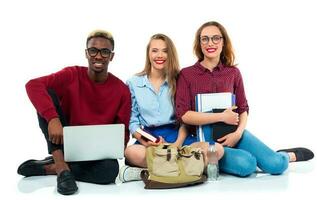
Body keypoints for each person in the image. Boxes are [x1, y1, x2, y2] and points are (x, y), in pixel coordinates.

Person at [175, 21, 314, 177]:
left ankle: (286, 155)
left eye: (216, 38)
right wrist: (221, 116)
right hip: (205, 141)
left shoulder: (233, 73)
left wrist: (238, 133)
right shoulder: (187, 74)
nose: (210, 43)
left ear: (223, 42)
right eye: (205, 39)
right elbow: (183, 115)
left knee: (277, 165)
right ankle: (246, 159)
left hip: (234, 134)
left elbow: (243, 108)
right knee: (247, 165)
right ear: (199, 43)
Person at [17, 30, 131, 195]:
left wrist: (114, 147)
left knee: (111, 171)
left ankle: (54, 166)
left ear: (111, 56)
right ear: (86, 53)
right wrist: (52, 118)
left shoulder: (122, 90)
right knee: (46, 94)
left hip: (95, 152)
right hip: (62, 139)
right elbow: (33, 85)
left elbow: (123, 133)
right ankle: (63, 170)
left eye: (105, 52)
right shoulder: (72, 74)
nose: (98, 56)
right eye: (93, 50)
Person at [118, 33, 224, 183]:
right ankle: (190, 168)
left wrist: (176, 145)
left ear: (170, 54)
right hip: (151, 140)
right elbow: (133, 122)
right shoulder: (133, 83)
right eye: (154, 50)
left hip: (179, 136)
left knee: (217, 150)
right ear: (148, 53)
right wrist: (145, 141)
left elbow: (185, 118)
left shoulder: (179, 79)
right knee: (130, 152)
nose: (159, 55)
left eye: (165, 51)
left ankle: (151, 172)